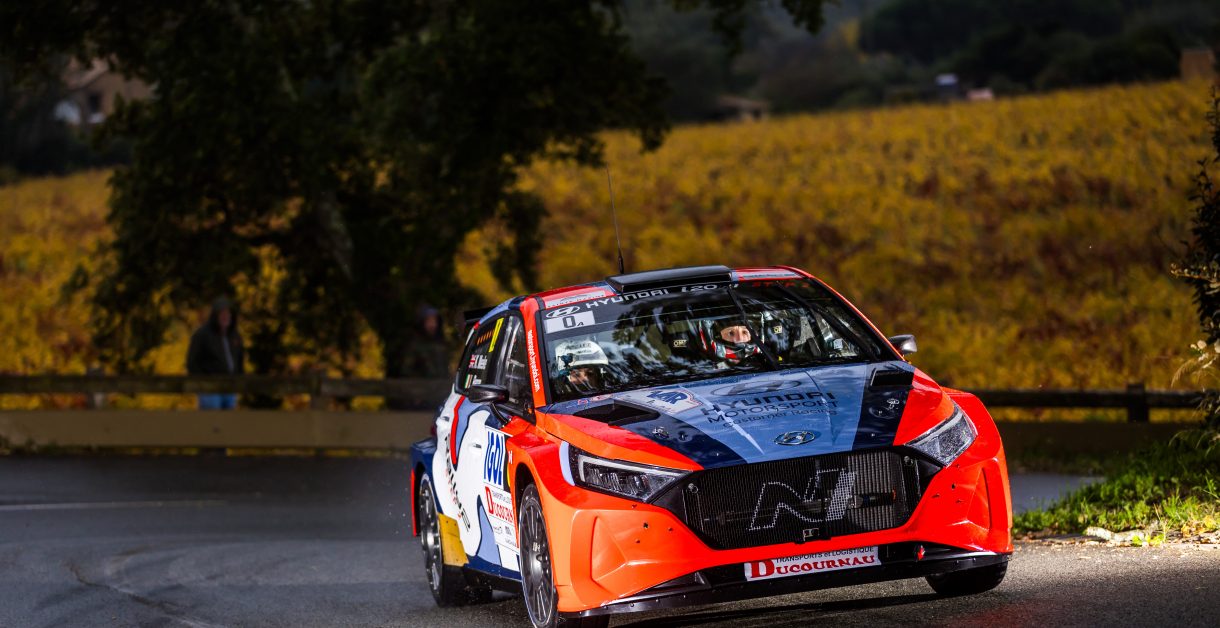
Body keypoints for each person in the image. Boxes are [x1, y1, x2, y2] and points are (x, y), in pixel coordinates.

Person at [186, 297, 245, 409]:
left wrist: (240, 379)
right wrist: (202, 382)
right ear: (215, 316)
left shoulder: (234, 336)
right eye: (222, 314)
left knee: (229, 418)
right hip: (209, 388)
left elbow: (239, 359)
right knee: (212, 417)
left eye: (228, 314)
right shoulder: (202, 335)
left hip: (230, 387)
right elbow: (192, 362)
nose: (225, 317)